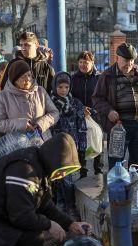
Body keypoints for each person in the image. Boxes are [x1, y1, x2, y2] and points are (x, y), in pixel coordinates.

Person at [92, 42, 138, 175]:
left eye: (131, 60)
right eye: (125, 60)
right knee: (116, 164)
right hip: (118, 126)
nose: (129, 64)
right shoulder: (107, 76)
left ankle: (135, 191)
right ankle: (117, 193)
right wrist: (109, 111)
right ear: (117, 58)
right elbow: (97, 99)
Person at [50, 72, 88, 218]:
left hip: (72, 146)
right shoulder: (50, 103)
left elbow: (81, 125)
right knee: (58, 177)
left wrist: (83, 145)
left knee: (69, 177)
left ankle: (70, 206)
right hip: (55, 146)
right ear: (55, 86)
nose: (63, 90)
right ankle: (60, 204)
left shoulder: (76, 103)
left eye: (66, 87)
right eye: (60, 87)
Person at [0, 60, 59, 138]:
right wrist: (21, 124)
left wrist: (41, 124)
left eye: (29, 75)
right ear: (14, 80)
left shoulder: (40, 91)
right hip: (19, 145)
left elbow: (55, 113)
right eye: (23, 76)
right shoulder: (3, 96)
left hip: (43, 141)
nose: (28, 79)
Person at [70, 51, 103, 175]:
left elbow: (102, 96)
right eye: (81, 62)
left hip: (96, 115)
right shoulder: (73, 79)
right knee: (81, 142)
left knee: (98, 139)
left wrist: (94, 110)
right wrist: (80, 109)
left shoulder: (99, 78)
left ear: (92, 63)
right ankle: (82, 170)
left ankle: (98, 169)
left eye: (86, 62)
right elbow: (70, 98)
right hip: (79, 115)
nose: (83, 65)